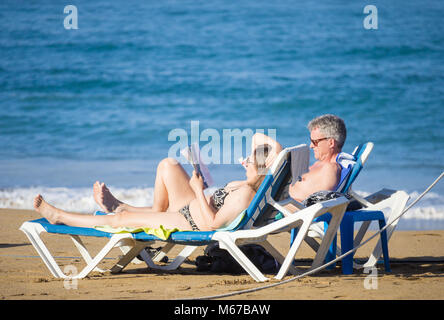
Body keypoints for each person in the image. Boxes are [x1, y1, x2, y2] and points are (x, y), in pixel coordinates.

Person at [33, 145, 271, 232]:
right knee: (168, 164)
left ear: (260, 170)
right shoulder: (246, 184)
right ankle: (119, 205)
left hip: (189, 222)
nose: (243, 161)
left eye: (248, 161)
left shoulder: (246, 195)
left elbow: (211, 225)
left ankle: (59, 216)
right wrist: (200, 187)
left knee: (121, 220)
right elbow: (263, 141)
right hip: (190, 207)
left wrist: (198, 190)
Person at [252, 114, 347, 204]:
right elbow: (256, 137)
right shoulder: (320, 165)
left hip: (278, 208)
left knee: (242, 189)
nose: (311, 146)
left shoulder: (330, 169)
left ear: (331, 143)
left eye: (315, 142)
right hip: (274, 200)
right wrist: (277, 148)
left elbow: (315, 205)